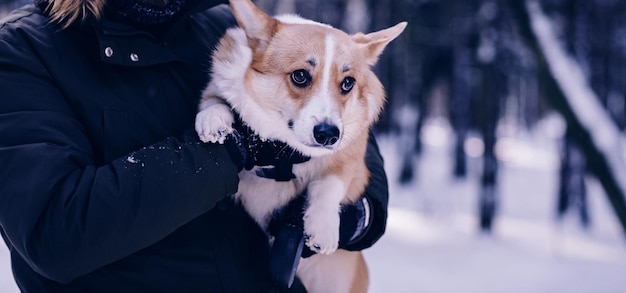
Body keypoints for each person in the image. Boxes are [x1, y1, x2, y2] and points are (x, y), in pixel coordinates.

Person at [0, 0, 390, 292]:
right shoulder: (23, 50)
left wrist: (356, 214)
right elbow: (54, 235)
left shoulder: (220, 24)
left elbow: (350, 137)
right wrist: (226, 151)